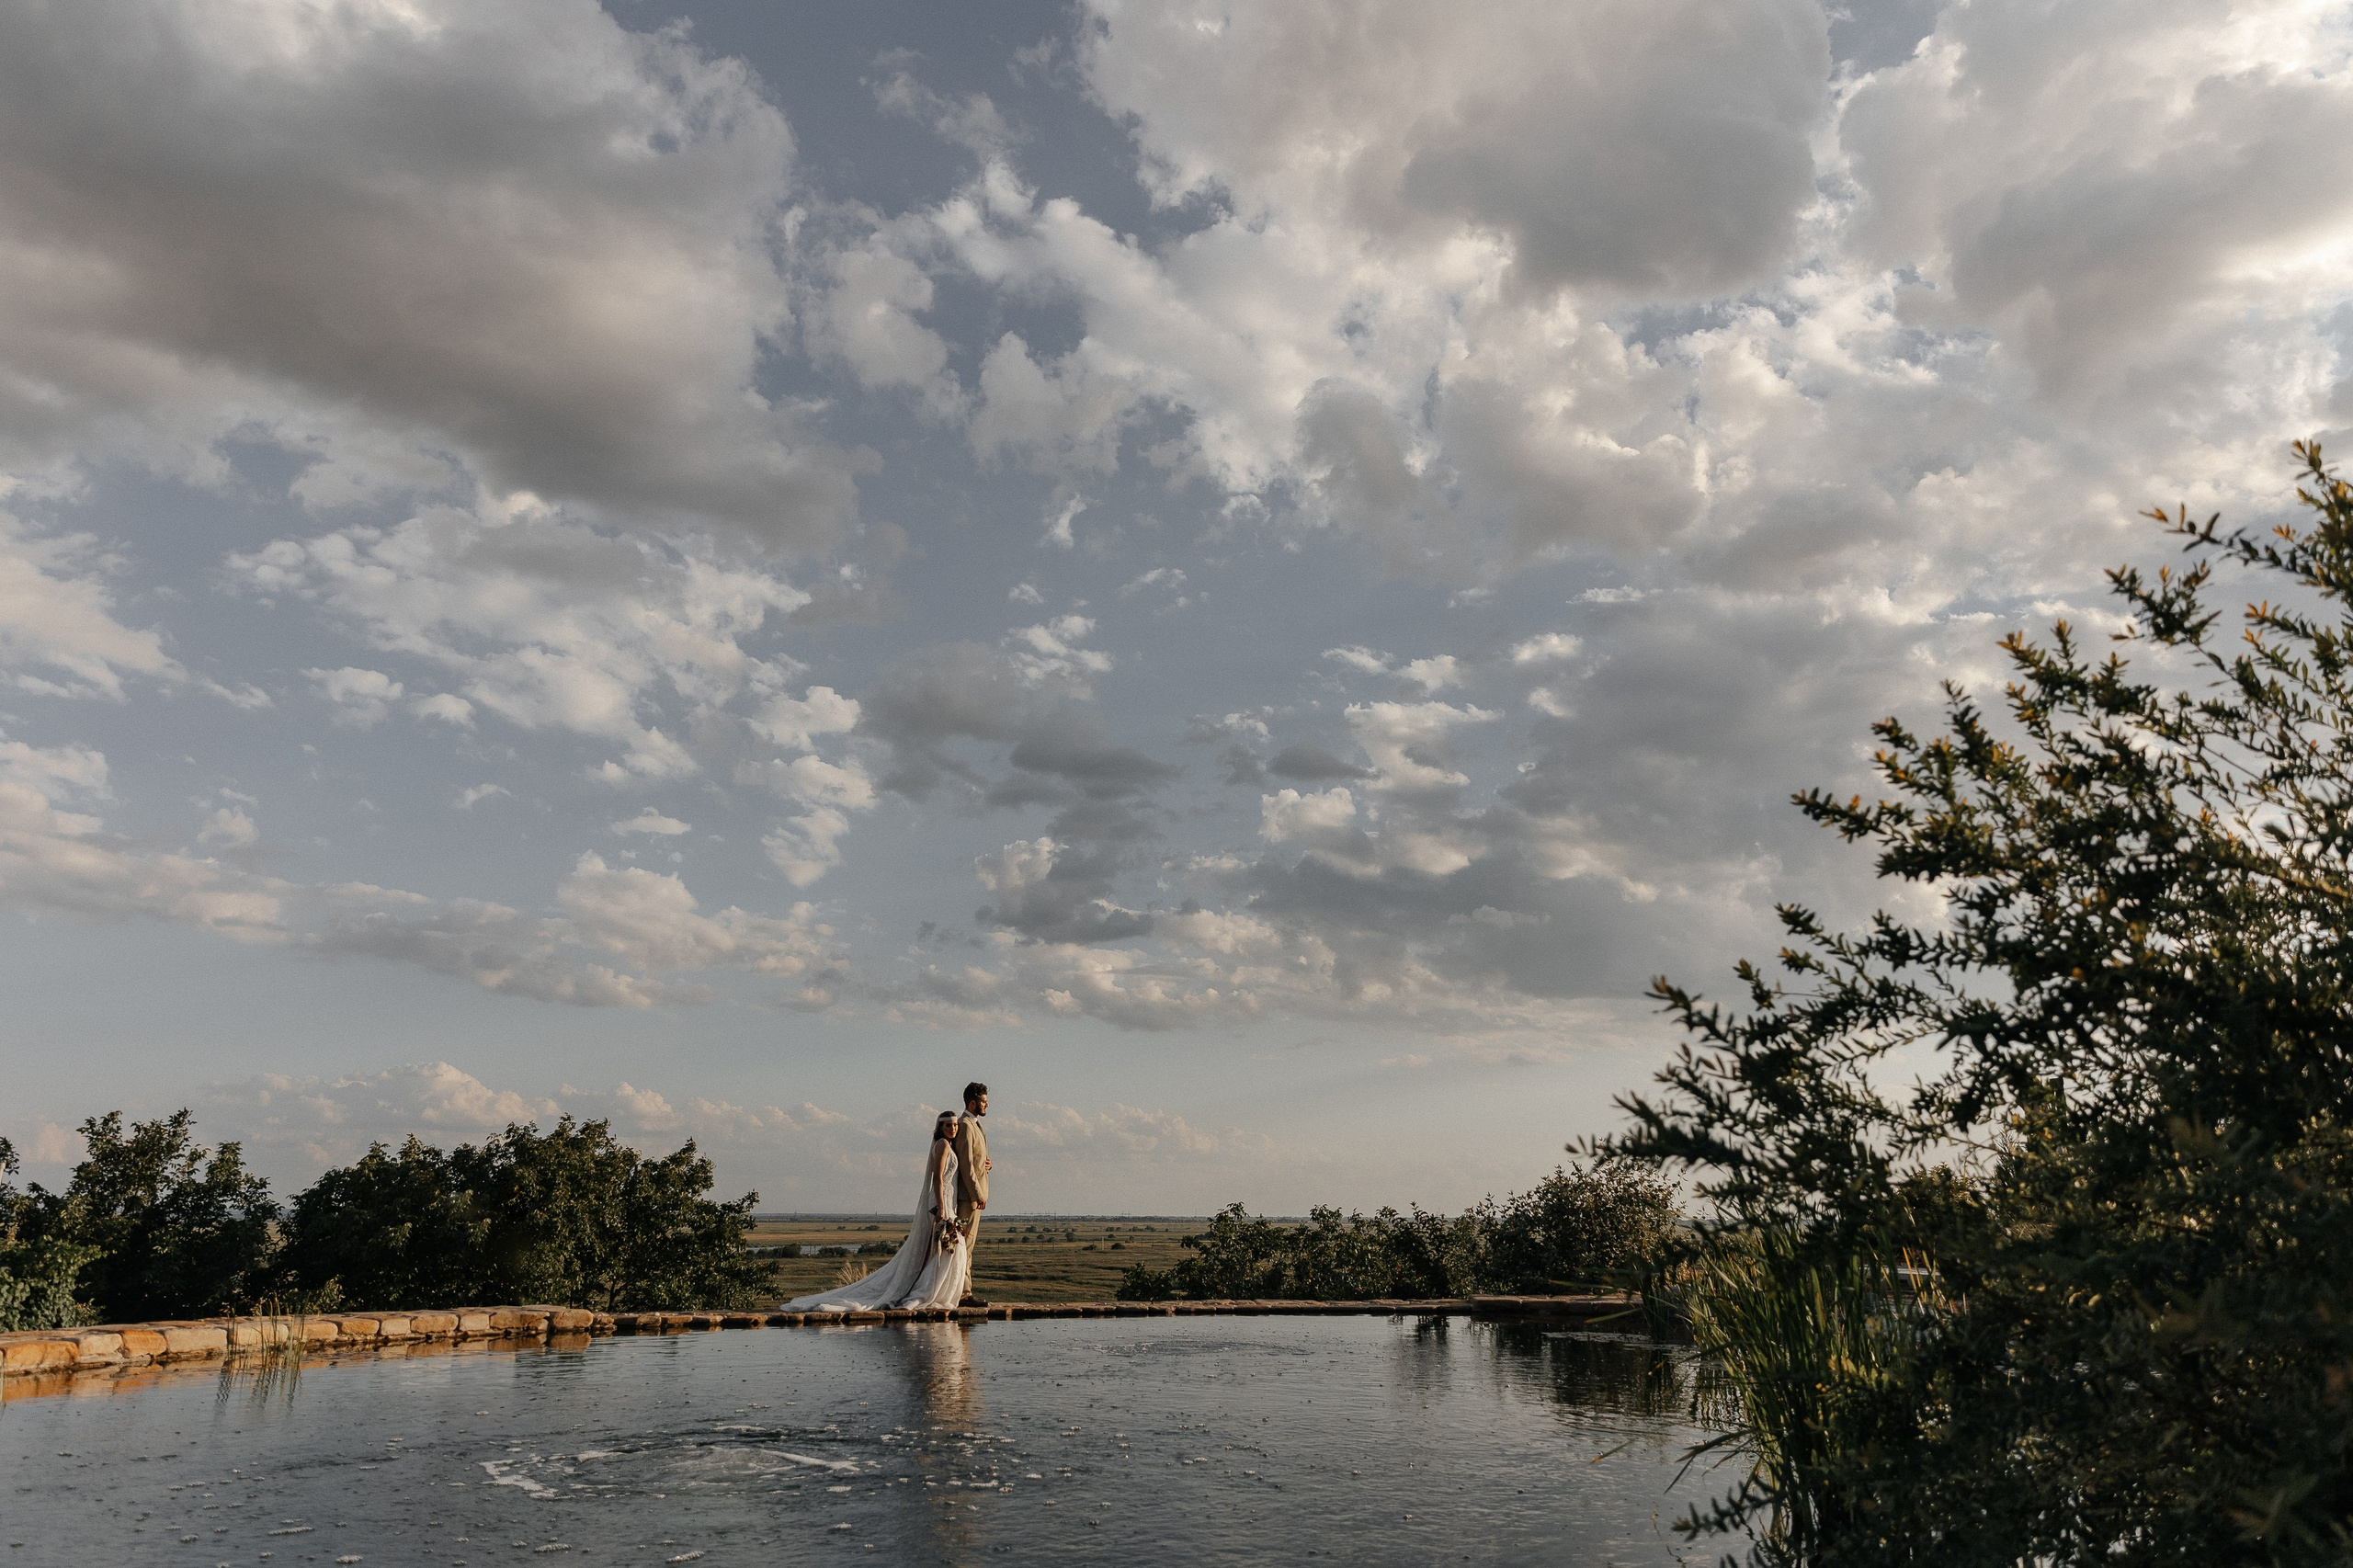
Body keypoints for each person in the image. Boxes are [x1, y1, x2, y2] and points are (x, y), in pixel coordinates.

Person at [780, 1111, 971, 1313]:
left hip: (948, 1201)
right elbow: (938, 1179)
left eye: (954, 1125)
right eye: (948, 1125)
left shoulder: (949, 1146)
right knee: (948, 1247)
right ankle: (925, 1291)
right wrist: (941, 1206)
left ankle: (934, 1291)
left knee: (945, 1249)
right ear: (940, 1128)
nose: (952, 1129)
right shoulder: (942, 1144)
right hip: (941, 1201)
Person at [949, 1082, 992, 1306]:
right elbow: (965, 1164)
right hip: (969, 1198)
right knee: (965, 1245)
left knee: (967, 1245)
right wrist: (977, 1193)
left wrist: (987, 1164)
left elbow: (974, 1160)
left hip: (975, 1197)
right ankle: (964, 1294)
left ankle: (963, 1291)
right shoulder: (965, 1125)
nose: (987, 1105)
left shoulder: (974, 1125)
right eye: (984, 1101)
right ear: (972, 1102)